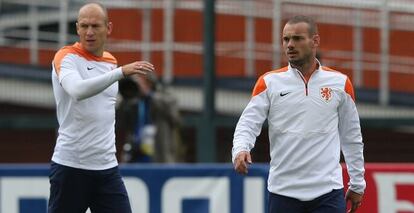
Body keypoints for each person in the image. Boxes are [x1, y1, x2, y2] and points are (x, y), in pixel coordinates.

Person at [232, 15, 365, 213]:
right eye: (286, 39)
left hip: (328, 191)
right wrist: (241, 149)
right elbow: (248, 124)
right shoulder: (269, 83)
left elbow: (351, 136)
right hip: (283, 192)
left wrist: (357, 183)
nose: (290, 45)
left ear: (315, 41)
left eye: (297, 38)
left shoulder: (340, 83)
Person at [49, 2, 154, 213]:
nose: (89, 32)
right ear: (77, 28)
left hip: (106, 168)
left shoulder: (109, 61)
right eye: (84, 26)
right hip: (71, 166)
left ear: (108, 28)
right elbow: (77, 90)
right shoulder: (66, 57)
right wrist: (121, 72)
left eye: (95, 26)